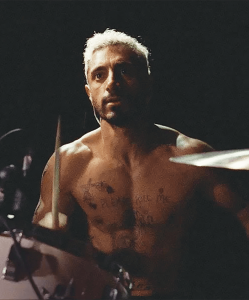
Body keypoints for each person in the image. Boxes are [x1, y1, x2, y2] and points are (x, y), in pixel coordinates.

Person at [33, 29, 249, 299]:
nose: (112, 83)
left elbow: (245, 214)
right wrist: (53, 240)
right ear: (89, 92)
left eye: (123, 70)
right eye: (99, 75)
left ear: (147, 82)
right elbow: (41, 245)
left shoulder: (189, 156)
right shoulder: (69, 162)